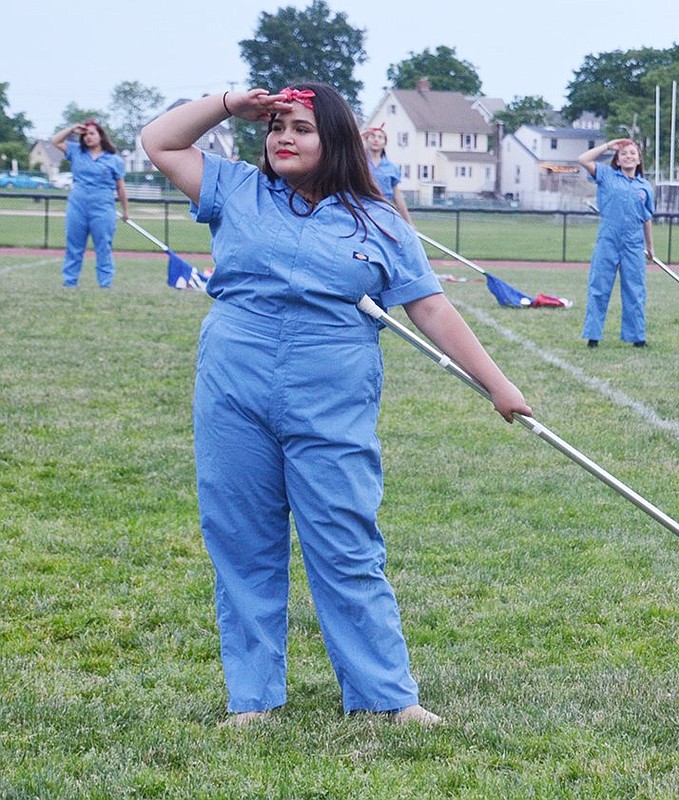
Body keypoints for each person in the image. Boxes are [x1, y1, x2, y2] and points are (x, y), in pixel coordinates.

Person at [141, 82, 531, 728]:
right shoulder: (236, 189)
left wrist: (497, 383)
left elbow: (430, 307)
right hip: (233, 386)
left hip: (331, 397)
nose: (283, 138)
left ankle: (384, 694)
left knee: (346, 541)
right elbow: (159, 141)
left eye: (301, 127)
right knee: (242, 539)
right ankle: (253, 698)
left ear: (337, 140)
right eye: (276, 127)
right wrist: (230, 104)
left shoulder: (379, 222)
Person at [577, 138, 655, 348]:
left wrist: (650, 247)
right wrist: (609, 146)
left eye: (632, 153)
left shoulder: (645, 187)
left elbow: (647, 218)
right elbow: (582, 159)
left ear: (639, 159)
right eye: (623, 154)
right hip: (608, 241)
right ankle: (593, 336)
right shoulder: (606, 176)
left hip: (634, 244)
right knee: (599, 288)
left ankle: (637, 337)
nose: (628, 156)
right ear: (618, 160)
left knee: (635, 291)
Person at [50, 120, 129, 287]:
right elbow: (55, 141)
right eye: (85, 135)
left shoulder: (114, 160)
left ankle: (105, 283)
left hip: (103, 207)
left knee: (103, 246)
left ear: (101, 136)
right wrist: (72, 129)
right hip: (77, 205)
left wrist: (125, 210)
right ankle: (70, 282)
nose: (88, 137)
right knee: (74, 246)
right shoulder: (76, 151)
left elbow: (121, 187)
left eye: (92, 133)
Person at [360, 124, 412, 224]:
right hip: (364, 212)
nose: (376, 140)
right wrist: (361, 136)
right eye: (373, 136)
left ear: (385, 143)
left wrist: (409, 222)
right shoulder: (359, 163)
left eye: (380, 137)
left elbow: (397, 196)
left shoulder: (391, 168)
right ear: (367, 140)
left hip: (384, 214)